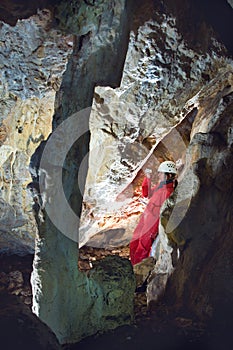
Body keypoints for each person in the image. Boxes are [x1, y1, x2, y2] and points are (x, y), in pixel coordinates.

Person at [130, 160, 178, 266]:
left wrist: (153, 230)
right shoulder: (160, 186)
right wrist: (148, 178)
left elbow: (162, 214)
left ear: (168, 175)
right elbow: (146, 193)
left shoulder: (168, 192)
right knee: (134, 241)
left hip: (152, 223)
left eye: (161, 173)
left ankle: (137, 270)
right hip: (146, 218)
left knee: (143, 246)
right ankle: (132, 265)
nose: (159, 175)